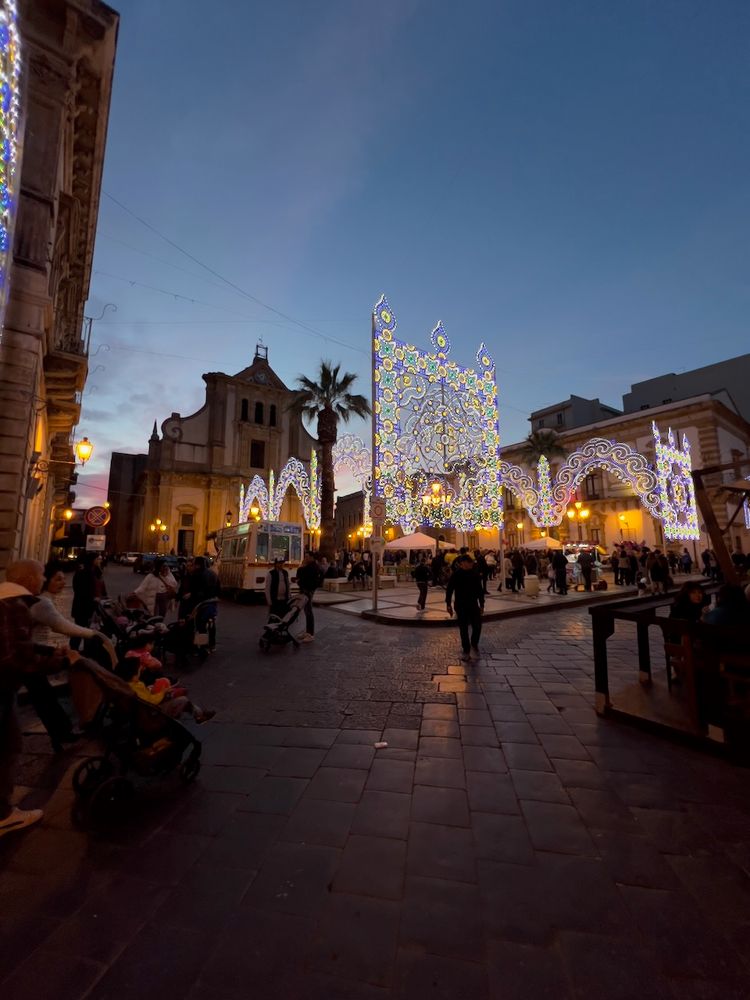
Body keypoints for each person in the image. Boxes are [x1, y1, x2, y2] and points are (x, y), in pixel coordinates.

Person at [0, 560, 75, 837]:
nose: (43, 580)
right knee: (7, 748)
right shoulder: (15, 606)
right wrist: (57, 661)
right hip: (2, 687)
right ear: (30, 579)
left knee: (9, 744)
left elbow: (15, 645)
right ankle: (3, 815)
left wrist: (43, 651)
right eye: (42, 575)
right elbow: (16, 657)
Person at [115, 655, 215, 723]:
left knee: (176, 694)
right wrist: (163, 692)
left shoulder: (130, 685)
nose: (140, 670)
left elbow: (146, 697)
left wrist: (152, 689)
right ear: (133, 674)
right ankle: (199, 716)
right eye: (138, 670)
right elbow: (151, 701)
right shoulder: (135, 687)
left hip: (149, 707)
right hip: (154, 712)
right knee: (182, 699)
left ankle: (198, 714)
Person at [445, 553, 485, 659]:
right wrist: (448, 604)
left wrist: (482, 604)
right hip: (460, 604)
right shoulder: (456, 574)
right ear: (463, 563)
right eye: (470, 563)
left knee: (477, 625)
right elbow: (449, 590)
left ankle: (474, 642)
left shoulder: (474, 573)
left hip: (473, 604)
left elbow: (479, 590)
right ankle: (466, 649)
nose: (472, 564)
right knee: (463, 628)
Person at [70, 553, 107, 648]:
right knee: (79, 630)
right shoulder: (83, 573)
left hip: (93, 606)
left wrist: (103, 597)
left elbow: (101, 587)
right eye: (97, 559)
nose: (100, 561)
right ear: (91, 561)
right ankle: (74, 649)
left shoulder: (96, 572)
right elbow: (80, 590)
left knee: (91, 631)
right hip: (83, 606)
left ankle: (88, 650)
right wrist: (92, 598)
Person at [296, 553, 323, 641]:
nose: (305, 558)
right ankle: (308, 632)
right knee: (307, 611)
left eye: (307, 557)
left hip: (308, 590)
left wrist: (302, 567)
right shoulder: (311, 566)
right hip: (306, 589)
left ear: (312, 558)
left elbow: (301, 575)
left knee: (308, 611)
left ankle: (310, 634)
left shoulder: (312, 567)